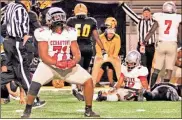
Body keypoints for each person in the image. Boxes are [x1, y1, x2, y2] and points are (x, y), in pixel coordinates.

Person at [21, 7, 100, 118]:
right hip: (48, 66)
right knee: (34, 84)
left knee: (88, 81)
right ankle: (27, 109)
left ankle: (88, 110)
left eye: (60, 17)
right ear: (49, 19)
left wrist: (73, 62)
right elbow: (43, 56)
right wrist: (57, 63)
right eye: (55, 17)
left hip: (67, 65)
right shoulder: (43, 32)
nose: (58, 19)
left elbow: (77, 53)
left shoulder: (70, 32)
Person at [2, 0, 45, 108]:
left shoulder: (9, 6)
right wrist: (23, 41)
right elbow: (27, 31)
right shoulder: (22, 9)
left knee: (12, 71)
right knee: (23, 71)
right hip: (17, 42)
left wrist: (8, 38)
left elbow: (3, 27)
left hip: (8, 41)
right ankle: (33, 99)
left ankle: (6, 95)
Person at [66, 3, 106, 101]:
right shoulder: (91, 21)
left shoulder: (71, 20)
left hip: (76, 48)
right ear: (86, 11)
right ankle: (83, 90)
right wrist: (103, 49)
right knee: (85, 70)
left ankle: (75, 89)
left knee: (75, 69)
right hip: (88, 48)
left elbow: (66, 35)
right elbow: (96, 36)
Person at [144, 1, 182, 88]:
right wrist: (180, 45)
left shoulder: (159, 16)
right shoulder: (177, 17)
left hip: (161, 44)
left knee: (157, 68)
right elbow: (180, 33)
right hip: (172, 44)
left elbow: (151, 31)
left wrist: (144, 41)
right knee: (169, 69)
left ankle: (151, 88)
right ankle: (165, 87)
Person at [120, 2, 156, 83]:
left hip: (151, 46)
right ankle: (140, 82)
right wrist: (122, 4)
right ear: (143, 14)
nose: (146, 14)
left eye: (148, 12)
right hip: (141, 46)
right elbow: (130, 13)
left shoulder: (154, 21)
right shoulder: (139, 20)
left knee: (149, 66)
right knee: (141, 65)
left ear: (150, 13)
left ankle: (146, 82)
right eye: (145, 12)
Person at [92, 17, 121, 87]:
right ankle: (92, 82)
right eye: (109, 31)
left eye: (112, 31)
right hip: (102, 55)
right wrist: (100, 55)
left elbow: (117, 48)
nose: (110, 35)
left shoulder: (117, 37)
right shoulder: (101, 37)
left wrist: (114, 56)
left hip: (112, 55)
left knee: (118, 63)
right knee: (96, 63)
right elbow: (97, 47)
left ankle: (121, 83)